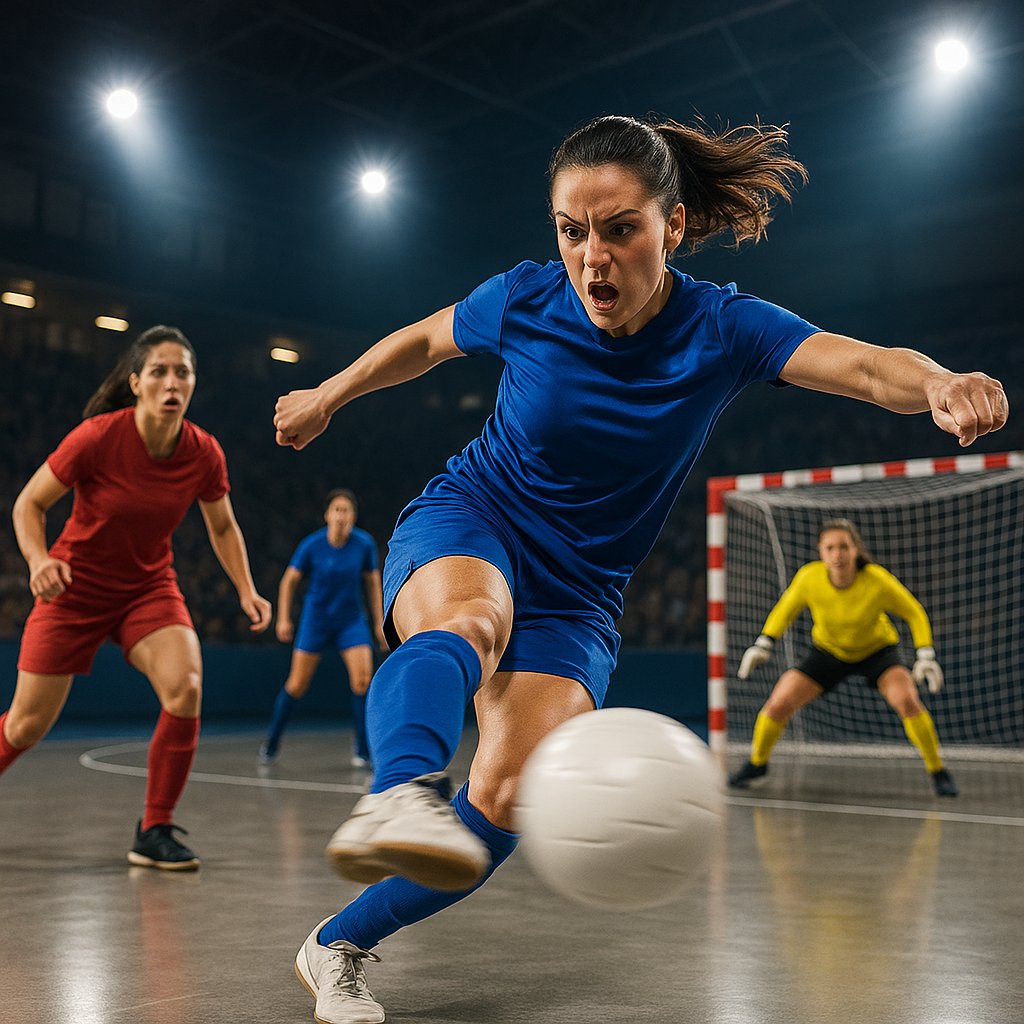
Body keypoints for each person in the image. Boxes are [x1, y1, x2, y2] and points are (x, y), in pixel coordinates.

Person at [273, 114, 1007, 1023]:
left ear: (674, 227)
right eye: (571, 231)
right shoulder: (524, 298)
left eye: (620, 228)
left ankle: (336, 943)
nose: (592, 257)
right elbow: (423, 342)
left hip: (583, 590)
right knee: (471, 622)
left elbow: (860, 366)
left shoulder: (727, 327)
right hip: (475, 517)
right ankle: (397, 792)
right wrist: (329, 394)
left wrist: (935, 383)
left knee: (500, 801)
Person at [1, 325, 272, 870]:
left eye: (183, 372)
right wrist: (39, 560)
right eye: (159, 371)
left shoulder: (203, 452)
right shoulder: (97, 437)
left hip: (147, 589)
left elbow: (222, 528)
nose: (172, 381)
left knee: (186, 686)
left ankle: (153, 829)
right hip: (73, 588)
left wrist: (247, 588)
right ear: (136, 382)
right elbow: (28, 505)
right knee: (25, 725)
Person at [729, 519, 957, 796]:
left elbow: (914, 612)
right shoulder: (809, 578)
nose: (837, 554)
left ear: (855, 550)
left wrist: (925, 655)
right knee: (778, 704)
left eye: (843, 547)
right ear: (821, 552)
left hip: (878, 652)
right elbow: (785, 608)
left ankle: (938, 771)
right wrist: (763, 643)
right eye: (830, 548)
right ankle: (757, 763)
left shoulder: (876, 580)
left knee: (907, 701)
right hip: (827, 652)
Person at [259, 489, 387, 768]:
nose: (342, 516)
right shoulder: (311, 546)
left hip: (351, 621)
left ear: (354, 517)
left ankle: (363, 750)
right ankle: (271, 743)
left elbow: (372, 583)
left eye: (347, 511)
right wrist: (283, 618)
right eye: (337, 510)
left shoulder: (363, 544)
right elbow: (289, 581)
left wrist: (379, 622)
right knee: (296, 685)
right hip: (315, 621)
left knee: (363, 680)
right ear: (327, 515)